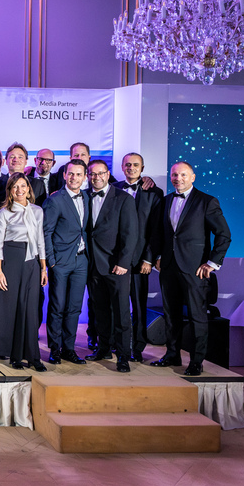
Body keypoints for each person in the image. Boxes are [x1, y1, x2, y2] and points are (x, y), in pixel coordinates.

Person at [151, 162, 231, 377]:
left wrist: (212, 263)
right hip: (169, 267)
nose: (178, 178)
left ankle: (197, 361)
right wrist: (158, 256)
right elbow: (161, 233)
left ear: (193, 177)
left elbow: (224, 234)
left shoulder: (207, 201)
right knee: (171, 315)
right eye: (174, 175)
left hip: (195, 269)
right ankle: (172, 355)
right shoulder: (166, 200)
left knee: (197, 317)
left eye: (183, 175)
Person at [0, 173, 47, 371]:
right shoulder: (4, 213)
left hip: (32, 262)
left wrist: (43, 267)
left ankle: (33, 356)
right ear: (10, 191)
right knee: (12, 309)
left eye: (23, 186)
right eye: (15, 187)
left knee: (30, 309)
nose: (19, 190)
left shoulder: (37, 211)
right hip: (10, 260)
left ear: (29, 189)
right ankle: (14, 355)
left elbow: (40, 240)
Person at [84, 159, 137, 372]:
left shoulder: (124, 198)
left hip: (116, 266)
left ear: (108, 175)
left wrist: (123, 262)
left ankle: (123, 356)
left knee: (122, 312)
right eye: (92, 174)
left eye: (100, 173)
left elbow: (130, 233)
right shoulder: (84, 196)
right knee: (100, 311)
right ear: (88, 176)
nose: (96, 177)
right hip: (93, 265)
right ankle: (103, 349)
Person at [114, 152, 164, 362]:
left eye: (136, 165)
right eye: (128, 164)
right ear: (122, 167)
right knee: (117, 305)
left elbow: (156, 229)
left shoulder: (154, 192)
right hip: (116, 259)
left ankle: (138, 348)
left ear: (142, 168)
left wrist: (149, 259)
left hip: (140, 260)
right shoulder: (113, 188)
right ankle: (118, 345)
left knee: (139, 306)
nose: (131, 168)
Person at [42, 159, 90, 366]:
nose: (74, 178)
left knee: (74, 308)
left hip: (82, 260)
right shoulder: (55, 200)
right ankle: (55, 349)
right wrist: (51, 261)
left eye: (79, 174)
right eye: (71, 173)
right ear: (64, 175)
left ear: (85, 177)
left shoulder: (87, 197)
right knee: (57, 306)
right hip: (60, 262)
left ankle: (69, 349)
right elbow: (46, 232)